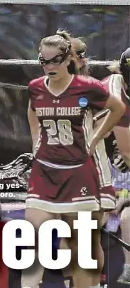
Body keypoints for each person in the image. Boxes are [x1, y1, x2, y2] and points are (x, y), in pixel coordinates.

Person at [18, 32, 125, 288]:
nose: (49, 67)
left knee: (84, 246)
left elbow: (117, 108)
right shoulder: (35, 87)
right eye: (43, 61)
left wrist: (95, 138)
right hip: (45, 170)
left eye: (55, 61)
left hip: (81, 171)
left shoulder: (87, 87)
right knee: (35, 239)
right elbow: (32, 112)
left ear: (68, 59)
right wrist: (36, 142)